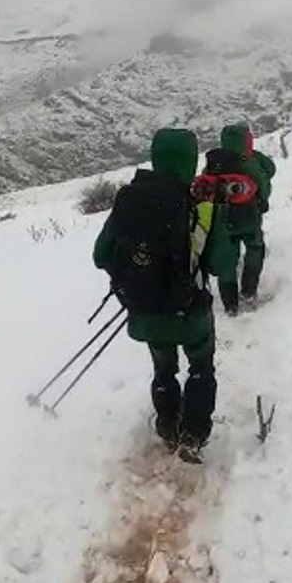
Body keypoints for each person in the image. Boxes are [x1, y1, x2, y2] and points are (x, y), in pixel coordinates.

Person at [92, 127, 233, 461]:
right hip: (190, 311)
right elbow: (222, 266)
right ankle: (193, 435)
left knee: (163, 368)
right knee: (200, 366)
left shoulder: (129, 199)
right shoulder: (201, 206)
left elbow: (101, 255)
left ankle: (168, 428)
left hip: (145, 308)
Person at [201, 123, 275, 315]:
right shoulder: (249, 161)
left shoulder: (214, 162)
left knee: (227, 261)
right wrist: (262, 199)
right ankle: (249, 291)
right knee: (255, 248)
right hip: (249, 216)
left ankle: (230, 305)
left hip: (222, 220)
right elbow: (264, 186)